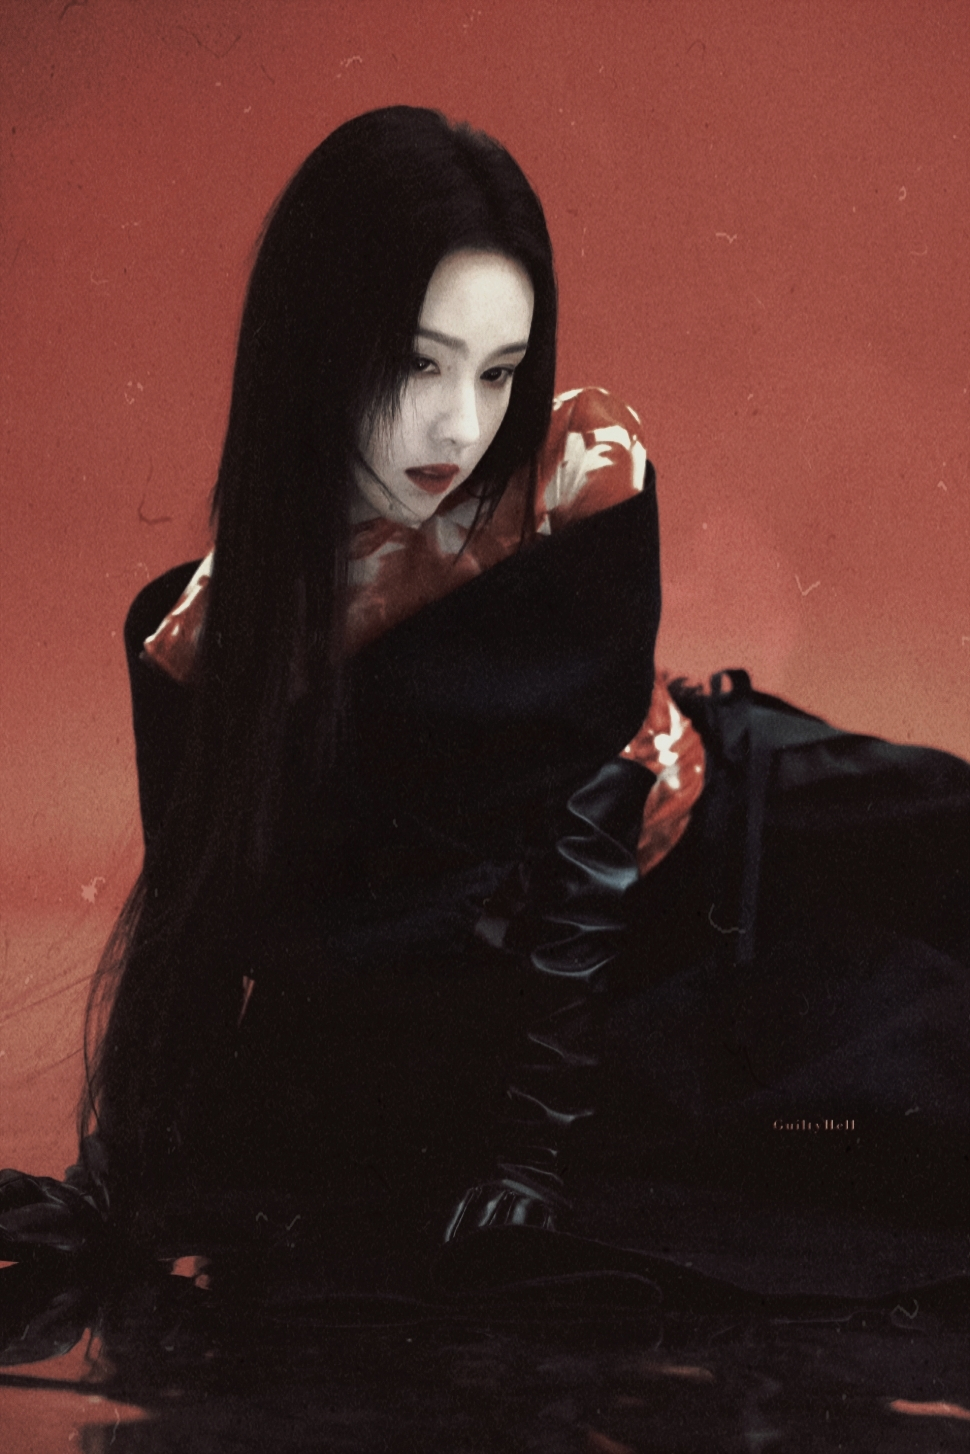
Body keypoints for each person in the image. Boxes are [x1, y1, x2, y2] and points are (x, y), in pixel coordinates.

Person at [2, 107, 967, 1297]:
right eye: (419, 363)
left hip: (731, 824)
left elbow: (586, 832)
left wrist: (532, 1149)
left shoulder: (577, 473)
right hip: (603, 987)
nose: (460, 424)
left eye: (498, 370)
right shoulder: (199, 646)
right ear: (314, 346)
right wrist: (118, 1182)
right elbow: (203, 943)